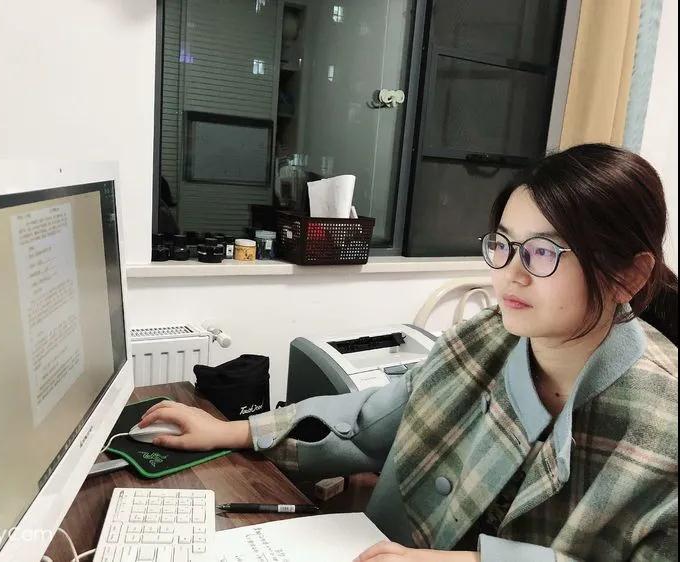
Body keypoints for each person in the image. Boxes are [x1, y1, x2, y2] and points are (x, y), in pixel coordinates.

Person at [138, 144, 678, 561]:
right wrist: (235, 431)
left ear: (628, 276)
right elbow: (378, 416)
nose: (510, 274)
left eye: (543, 252)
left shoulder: (663, 427)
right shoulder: (484, 338)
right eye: (503, 244)